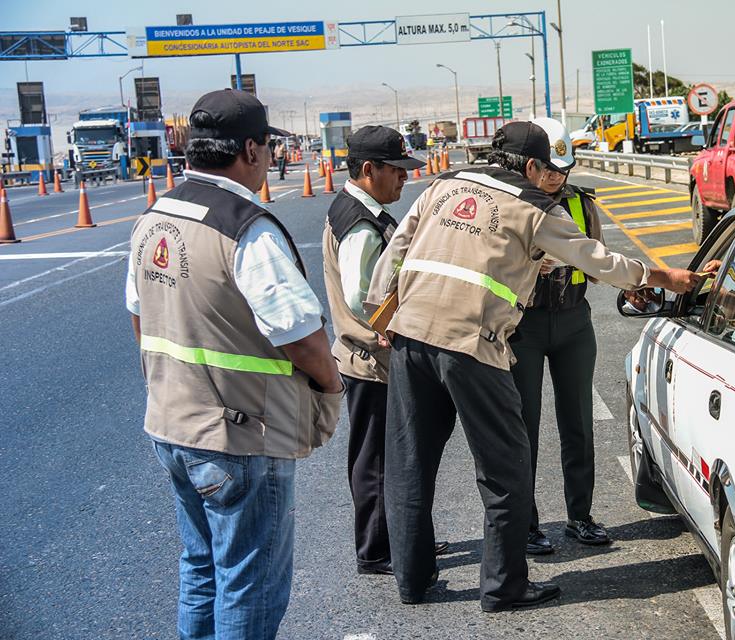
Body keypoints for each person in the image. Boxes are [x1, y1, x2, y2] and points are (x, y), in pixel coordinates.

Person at [365, 121, 702, 612]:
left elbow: (395, 255)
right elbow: (597, 260)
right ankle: (504, 587)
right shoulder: (532, 207)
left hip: (411, 337)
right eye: (546, 167)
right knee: (507, 470)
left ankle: (412, 581)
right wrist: (661, 275)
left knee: (409, 466)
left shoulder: (441, 187)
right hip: (472, 344)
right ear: (529, 166)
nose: (550, 177)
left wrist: (384, 313)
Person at [125, 88, 343, 639]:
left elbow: (140, 316)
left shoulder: (157, 215)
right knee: (249, 580)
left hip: (172, 425)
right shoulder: (246, 227)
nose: (268, 157)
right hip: (240, 437)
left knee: (201, 568)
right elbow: (299, 334)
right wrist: (332, 383)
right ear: (250, 149)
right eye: (267, 147)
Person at [321, 125, 448, 576]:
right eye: (396, 170)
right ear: (369, 169)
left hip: (369, 356)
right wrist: (391, 326)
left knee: (387, 455)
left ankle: (397, 534)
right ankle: (376, 549)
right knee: (375, 461)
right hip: (369, 359)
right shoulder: (361, 222)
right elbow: (361, 295)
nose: (404, 179)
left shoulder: (360, 209)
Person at [508, 118, 611, 555]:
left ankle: (580, 516)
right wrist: (532, 266)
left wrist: (568, 262)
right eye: (549, 168)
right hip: (523, 327)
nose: (555, 176)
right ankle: (526, 524)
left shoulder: (580, 203)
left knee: (578, 422)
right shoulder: (511, 202)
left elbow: (597, 263)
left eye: (562, 169)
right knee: (522, 428)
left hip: (572, 320)